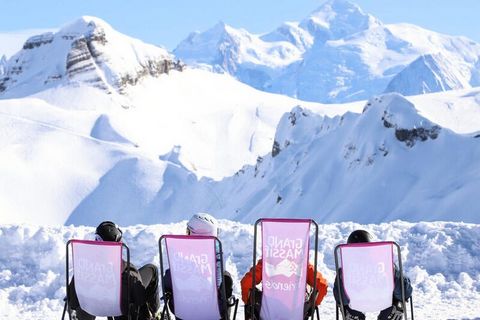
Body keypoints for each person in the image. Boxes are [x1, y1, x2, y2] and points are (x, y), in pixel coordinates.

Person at [68, 221, 160, 320]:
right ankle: (154, 313)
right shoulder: (127, 272)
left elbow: (72, 299)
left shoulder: (84, 267)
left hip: (91, 307)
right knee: (152, 269)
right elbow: (140, 299)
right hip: (121, 309)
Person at [162, 213, 235, 319]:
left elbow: (168, 281)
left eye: (188, 231)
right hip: (212, 311)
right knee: (226, 278)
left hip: (182, 311)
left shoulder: (181, 252)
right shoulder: (215, 252)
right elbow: (218, 282)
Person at [333, 230, 413, 320]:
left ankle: (352, 315)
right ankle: (394, 311)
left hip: (355, 306)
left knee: (345, 303)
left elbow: (340, 298)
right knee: (399, 295)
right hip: (385, 304)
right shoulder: (385, 266)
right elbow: (404, 291)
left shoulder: (344, 272)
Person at [240, 249, 328, 319]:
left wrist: (248, 301)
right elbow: (322, 286)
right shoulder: (303, 265)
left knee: (252, 293)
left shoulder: (267, 262)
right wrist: (312, 304)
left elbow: (246, 283)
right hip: (297, 315)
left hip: (267, 314)